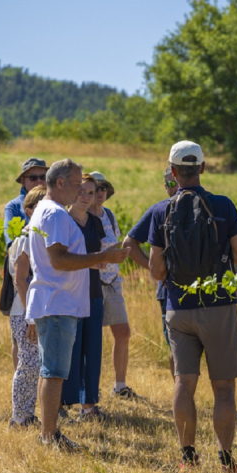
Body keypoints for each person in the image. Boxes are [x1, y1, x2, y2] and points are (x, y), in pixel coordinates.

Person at [146, 141, 237, 473]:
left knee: (184, 383)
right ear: (203, 169)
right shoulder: (223, 205)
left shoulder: (162, 211)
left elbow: (156, 271)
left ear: (173, 172)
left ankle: (188, 458)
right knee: (223, 388)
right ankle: (226, 460)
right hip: (219, 306)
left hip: (178, 308)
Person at [26, 159, 128, 450]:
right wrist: (102, 257)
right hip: (58, 303)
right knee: (54, 372)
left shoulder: (49, 211)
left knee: (53, 370)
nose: (80, 190)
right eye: (75, 184)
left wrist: (100, 256)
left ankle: (49, 433)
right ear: (59, 183)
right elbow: (59, 260)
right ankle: (49, 436)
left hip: (56, 301)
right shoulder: (56, 215)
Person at [123, 165, 179, 377]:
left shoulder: (202, 206)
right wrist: (155, 269)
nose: (175, 188)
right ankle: (180, 398)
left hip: (200, 290)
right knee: (175, 348)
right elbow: (129, 243)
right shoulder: (160, 209)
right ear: (166, 186)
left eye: (178, 182)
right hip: (169, 291)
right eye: (171, 184)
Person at [89, 171, 140, 400]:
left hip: (112, 282)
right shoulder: (82, 217)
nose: (101, 192)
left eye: (104, 188)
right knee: (91, 338)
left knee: (123, 332)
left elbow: (115, 241)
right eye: (96, 188)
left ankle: (120, 386)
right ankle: (89, 389)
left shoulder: (108, 215)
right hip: (92, 283)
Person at [62, 175, 108, 420]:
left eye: (90, 193)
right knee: (69, 349)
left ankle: (88, 406)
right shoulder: (62, 220)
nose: (85, 197)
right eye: (81, 191)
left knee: (92, 350)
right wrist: (91, 262)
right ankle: (60, 405)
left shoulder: (95, 222)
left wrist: (104, 260)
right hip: (68, 295)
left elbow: (97, 255)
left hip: (93, 293)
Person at [8, 185, 47, 427]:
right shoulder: (24, 238)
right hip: (23, 311)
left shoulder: (35, 237)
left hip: (31, 310)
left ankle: (27, 414)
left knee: (35, 365)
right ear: (29, 210)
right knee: (28, 365)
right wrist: (31, 318)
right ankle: (19, 417)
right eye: (40, 206)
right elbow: (20, 280)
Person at [4, 157, 48, 244]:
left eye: (43, 177)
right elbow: (11, 246)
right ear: (23, 181)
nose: (39, 181)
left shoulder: (56, 203)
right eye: (33, 177)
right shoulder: (13, 207)